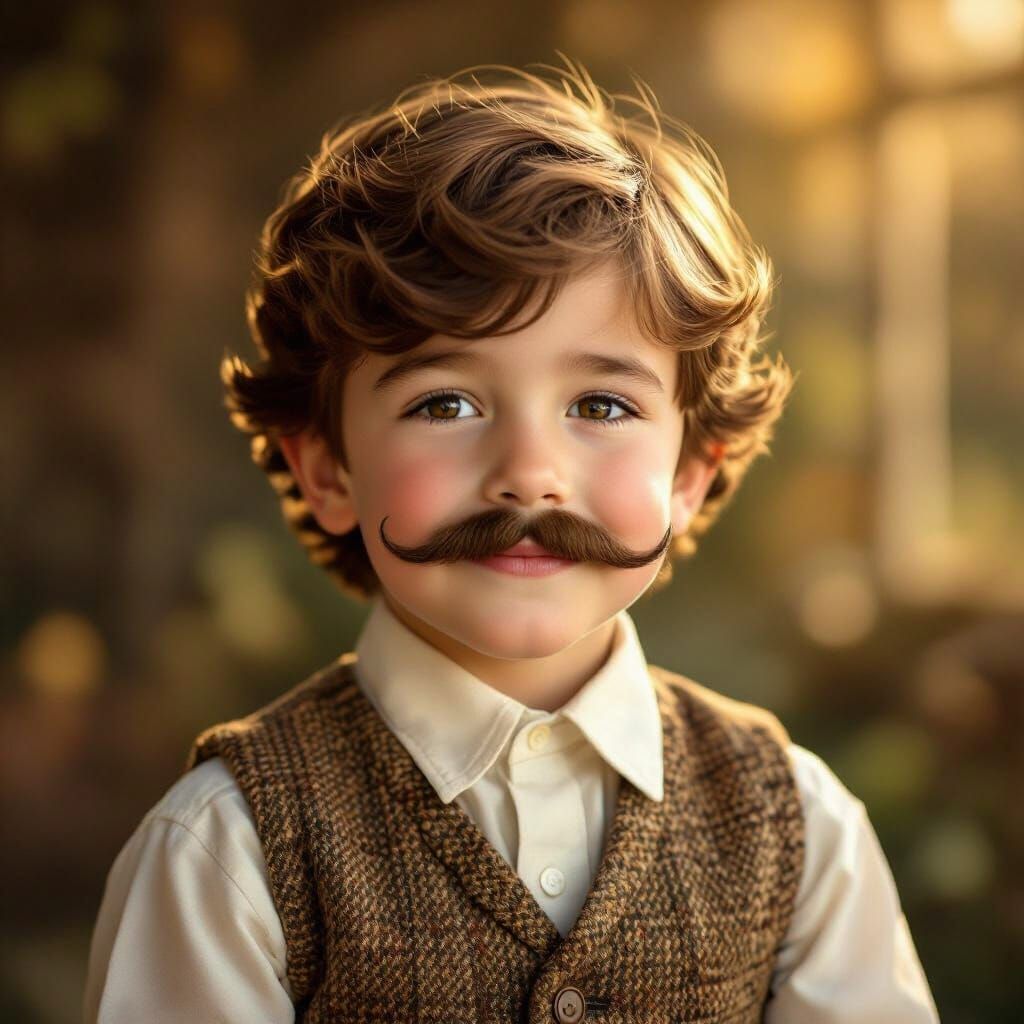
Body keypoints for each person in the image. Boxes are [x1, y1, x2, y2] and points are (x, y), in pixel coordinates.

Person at [83, 57, 940, 1022]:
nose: (529, 470)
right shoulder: (226, 850)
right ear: (328, 468)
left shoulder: (799, 829)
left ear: (692, 472)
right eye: (445, 402)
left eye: (601, 404)